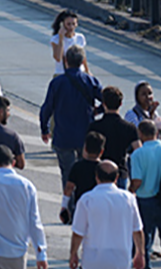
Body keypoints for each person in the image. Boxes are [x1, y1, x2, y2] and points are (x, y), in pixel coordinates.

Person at [39, 46, 103, 184]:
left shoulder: (57, 83)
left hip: (63, 135)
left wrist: (44, 129)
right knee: (86, 172)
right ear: (82, 62)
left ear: (65, 61)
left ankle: (68, 202)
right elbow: (107, 99)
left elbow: (47, 108)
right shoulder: (90, 81)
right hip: (85, 134)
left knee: (67, 173)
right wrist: (98, 111)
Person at [69, 160, 144, 269]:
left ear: (96, 177)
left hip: (93, 262)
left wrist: (73, 254)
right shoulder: (128, 199)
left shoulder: (87, 200)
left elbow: (78, 232)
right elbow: (137, 230)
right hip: (120, 261)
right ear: (117, 178)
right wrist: (140, 253)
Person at [129, 120, 161, 269]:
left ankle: (146, 268)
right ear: (156, 133)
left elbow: (137, 181)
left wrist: (130, 191)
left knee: (144, 240)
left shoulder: (137, 154)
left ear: (140, 134)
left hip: (145, 200)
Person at [87, 86, 140, 188]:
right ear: (120, 104)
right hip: (120, 172)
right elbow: (138, 151)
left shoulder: (94, 126)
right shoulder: (129, 128)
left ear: (103, 104)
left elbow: (87, 153)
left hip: (99, 172)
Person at [63, 131, 106, 223]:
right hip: (100, 207)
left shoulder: (77, 166)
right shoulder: (104, 168)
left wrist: (64, 206)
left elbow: (69, 188)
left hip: (81, 206)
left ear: (85, 148)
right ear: (101, 151)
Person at [50, 9, 87, 75]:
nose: (71, 27)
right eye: (68, 24)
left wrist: (87, 71)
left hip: (79, 73)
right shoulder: (56, 39)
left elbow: (83, 57)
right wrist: (61, 38)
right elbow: (58, 58)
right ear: (62, 24)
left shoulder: (80, 37)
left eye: (73, 24)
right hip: (62, 73)